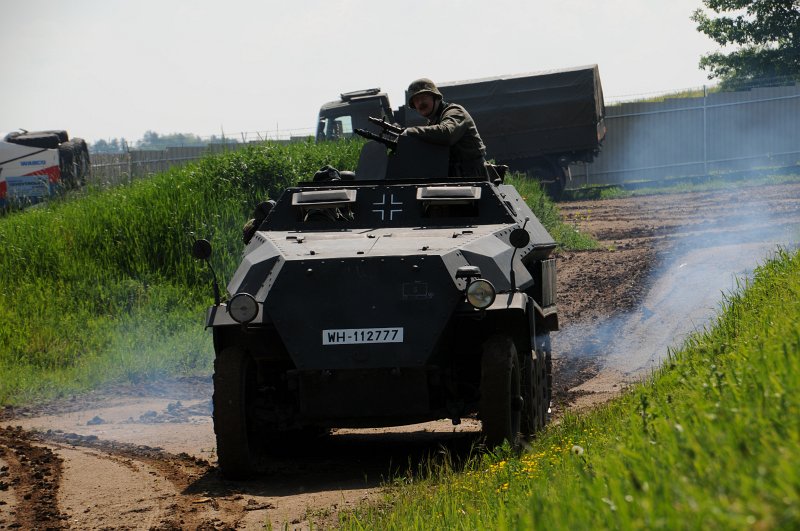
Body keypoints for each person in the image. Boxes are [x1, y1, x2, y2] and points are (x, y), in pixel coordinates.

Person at [403, 78, 487, 178]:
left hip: (472, 176)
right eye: (416, 100)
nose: (420, 103)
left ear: (436, 98)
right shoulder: (433, 123)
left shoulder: (455, 111)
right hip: (453, 177)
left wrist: (410, 132)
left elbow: (447, 134)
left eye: (423, 97)